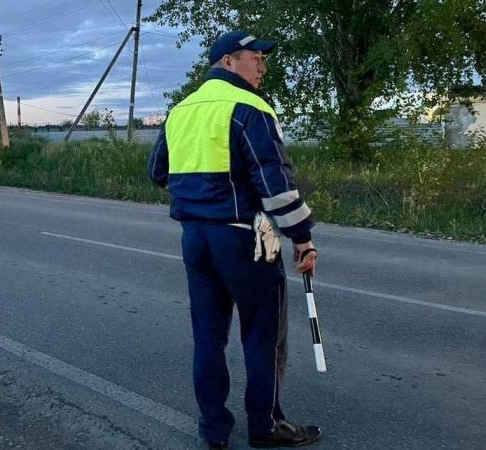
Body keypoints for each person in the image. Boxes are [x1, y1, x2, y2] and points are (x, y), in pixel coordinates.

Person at [148, 31, 322, 449]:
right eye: (254, 58)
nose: (262, 67)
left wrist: (199, 194)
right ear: (228, 63)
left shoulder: (181, 110)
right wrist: (301, 237)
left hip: (196, 239)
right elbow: (275, 183)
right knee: (262, 334)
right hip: (246, 239)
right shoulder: (250, 107)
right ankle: (265, 425)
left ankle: (214, 429)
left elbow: (158, 171)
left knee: (208, 336)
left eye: (263, 58)